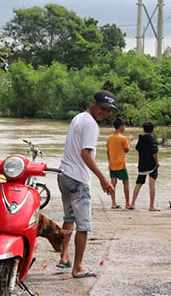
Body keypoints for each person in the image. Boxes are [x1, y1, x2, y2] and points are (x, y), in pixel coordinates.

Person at [57, 90, 115, 278]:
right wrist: (103, 178)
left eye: (108, 111)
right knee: (83, 226)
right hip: (78, 179)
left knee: (69, 218)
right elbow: (85, 153)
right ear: (94, 103)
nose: (105, 113)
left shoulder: (78, 117)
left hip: (64, 174)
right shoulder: (91, 124)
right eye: (103, 108)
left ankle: (64, 257)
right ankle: (78, 267)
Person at [130, 121, 160, 211]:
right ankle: (151, 206)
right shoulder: (153, 140)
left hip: (142, 164)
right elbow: (154, 152)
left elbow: (137, 148)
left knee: (138, 183)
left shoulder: (141, 139)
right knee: (152, 185)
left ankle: (132, 203)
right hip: (151, 165)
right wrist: (157, 163)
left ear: (143, 129)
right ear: (153, 130)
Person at [106, 117, 133, 209]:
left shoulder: (109, 138)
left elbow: (108, 151)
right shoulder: (123, 138)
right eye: (124, 125)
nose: (124, 127)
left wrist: (109, 162)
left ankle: (113, 203)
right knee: (126, 183)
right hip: (121, 164)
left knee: (113, 183)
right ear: (121, 126)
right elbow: (127, 150)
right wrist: (130, 140)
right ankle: (127, 203)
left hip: (112, 164)